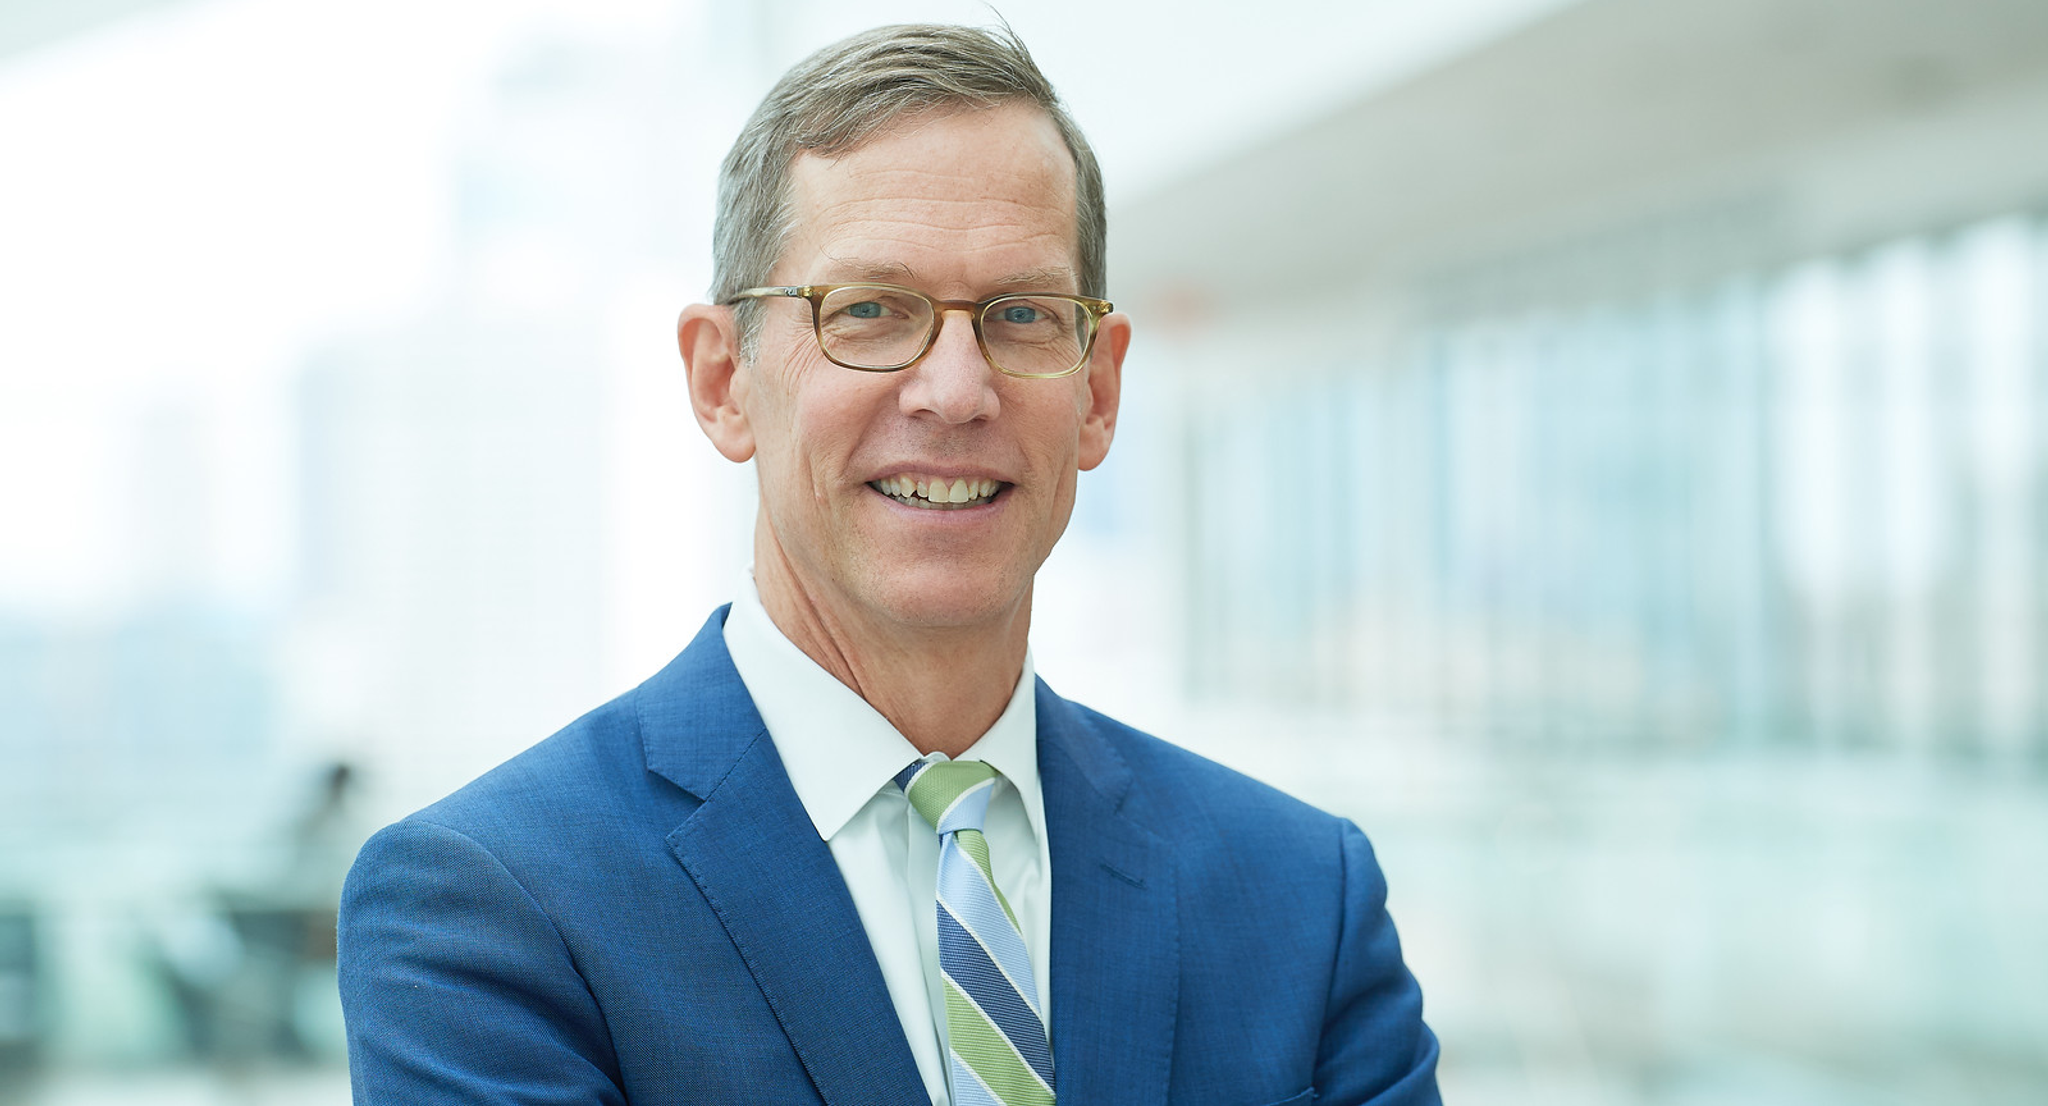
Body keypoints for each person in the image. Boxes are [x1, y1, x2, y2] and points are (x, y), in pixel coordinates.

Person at [337, 23, 1440, 1106]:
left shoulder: (1303, 901)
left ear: (1096, 393)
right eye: (868, 311)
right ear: (723, 381)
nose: (954, 390)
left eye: (1018, 314)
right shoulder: (493, 910)